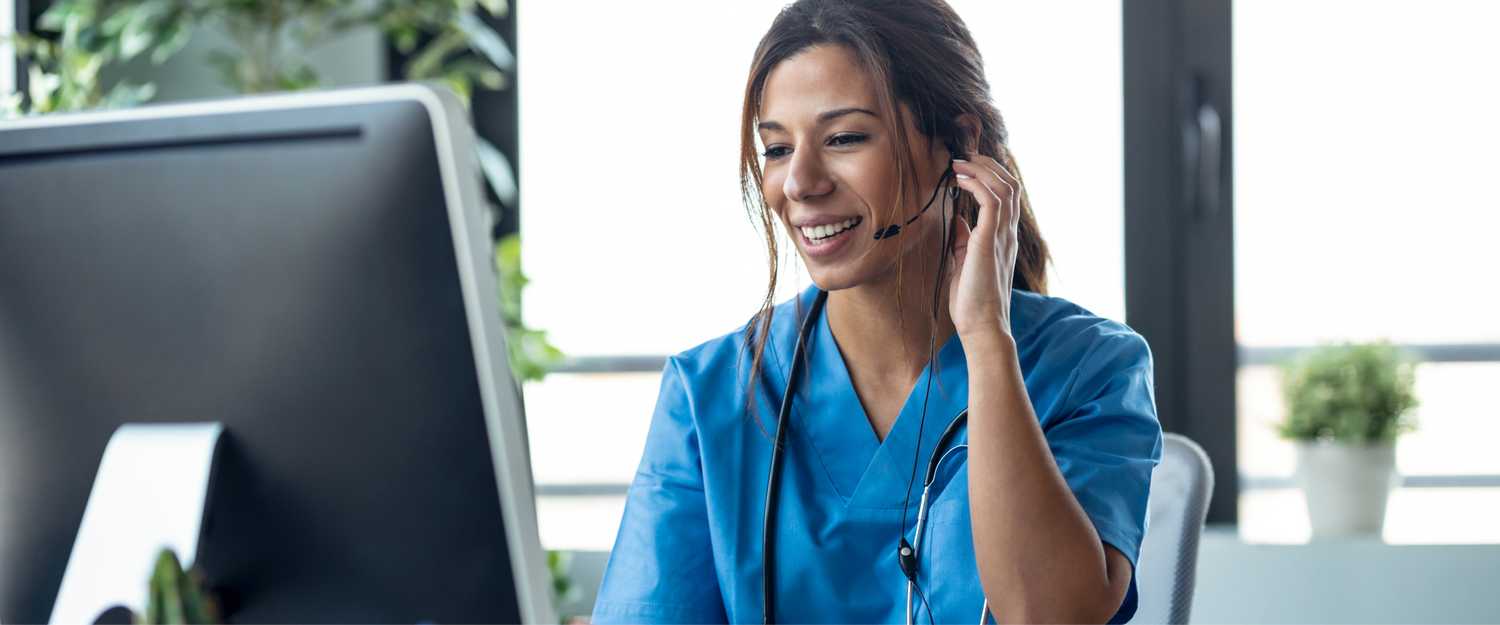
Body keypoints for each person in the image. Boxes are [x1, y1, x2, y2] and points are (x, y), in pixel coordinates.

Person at [591, 1, 1163, 623]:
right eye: (777, 148)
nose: (800, 182)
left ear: (959, 142)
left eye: (844, 138)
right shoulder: (709, 396)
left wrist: (986, 340)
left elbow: (1052, 616)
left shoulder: (1089, 368)